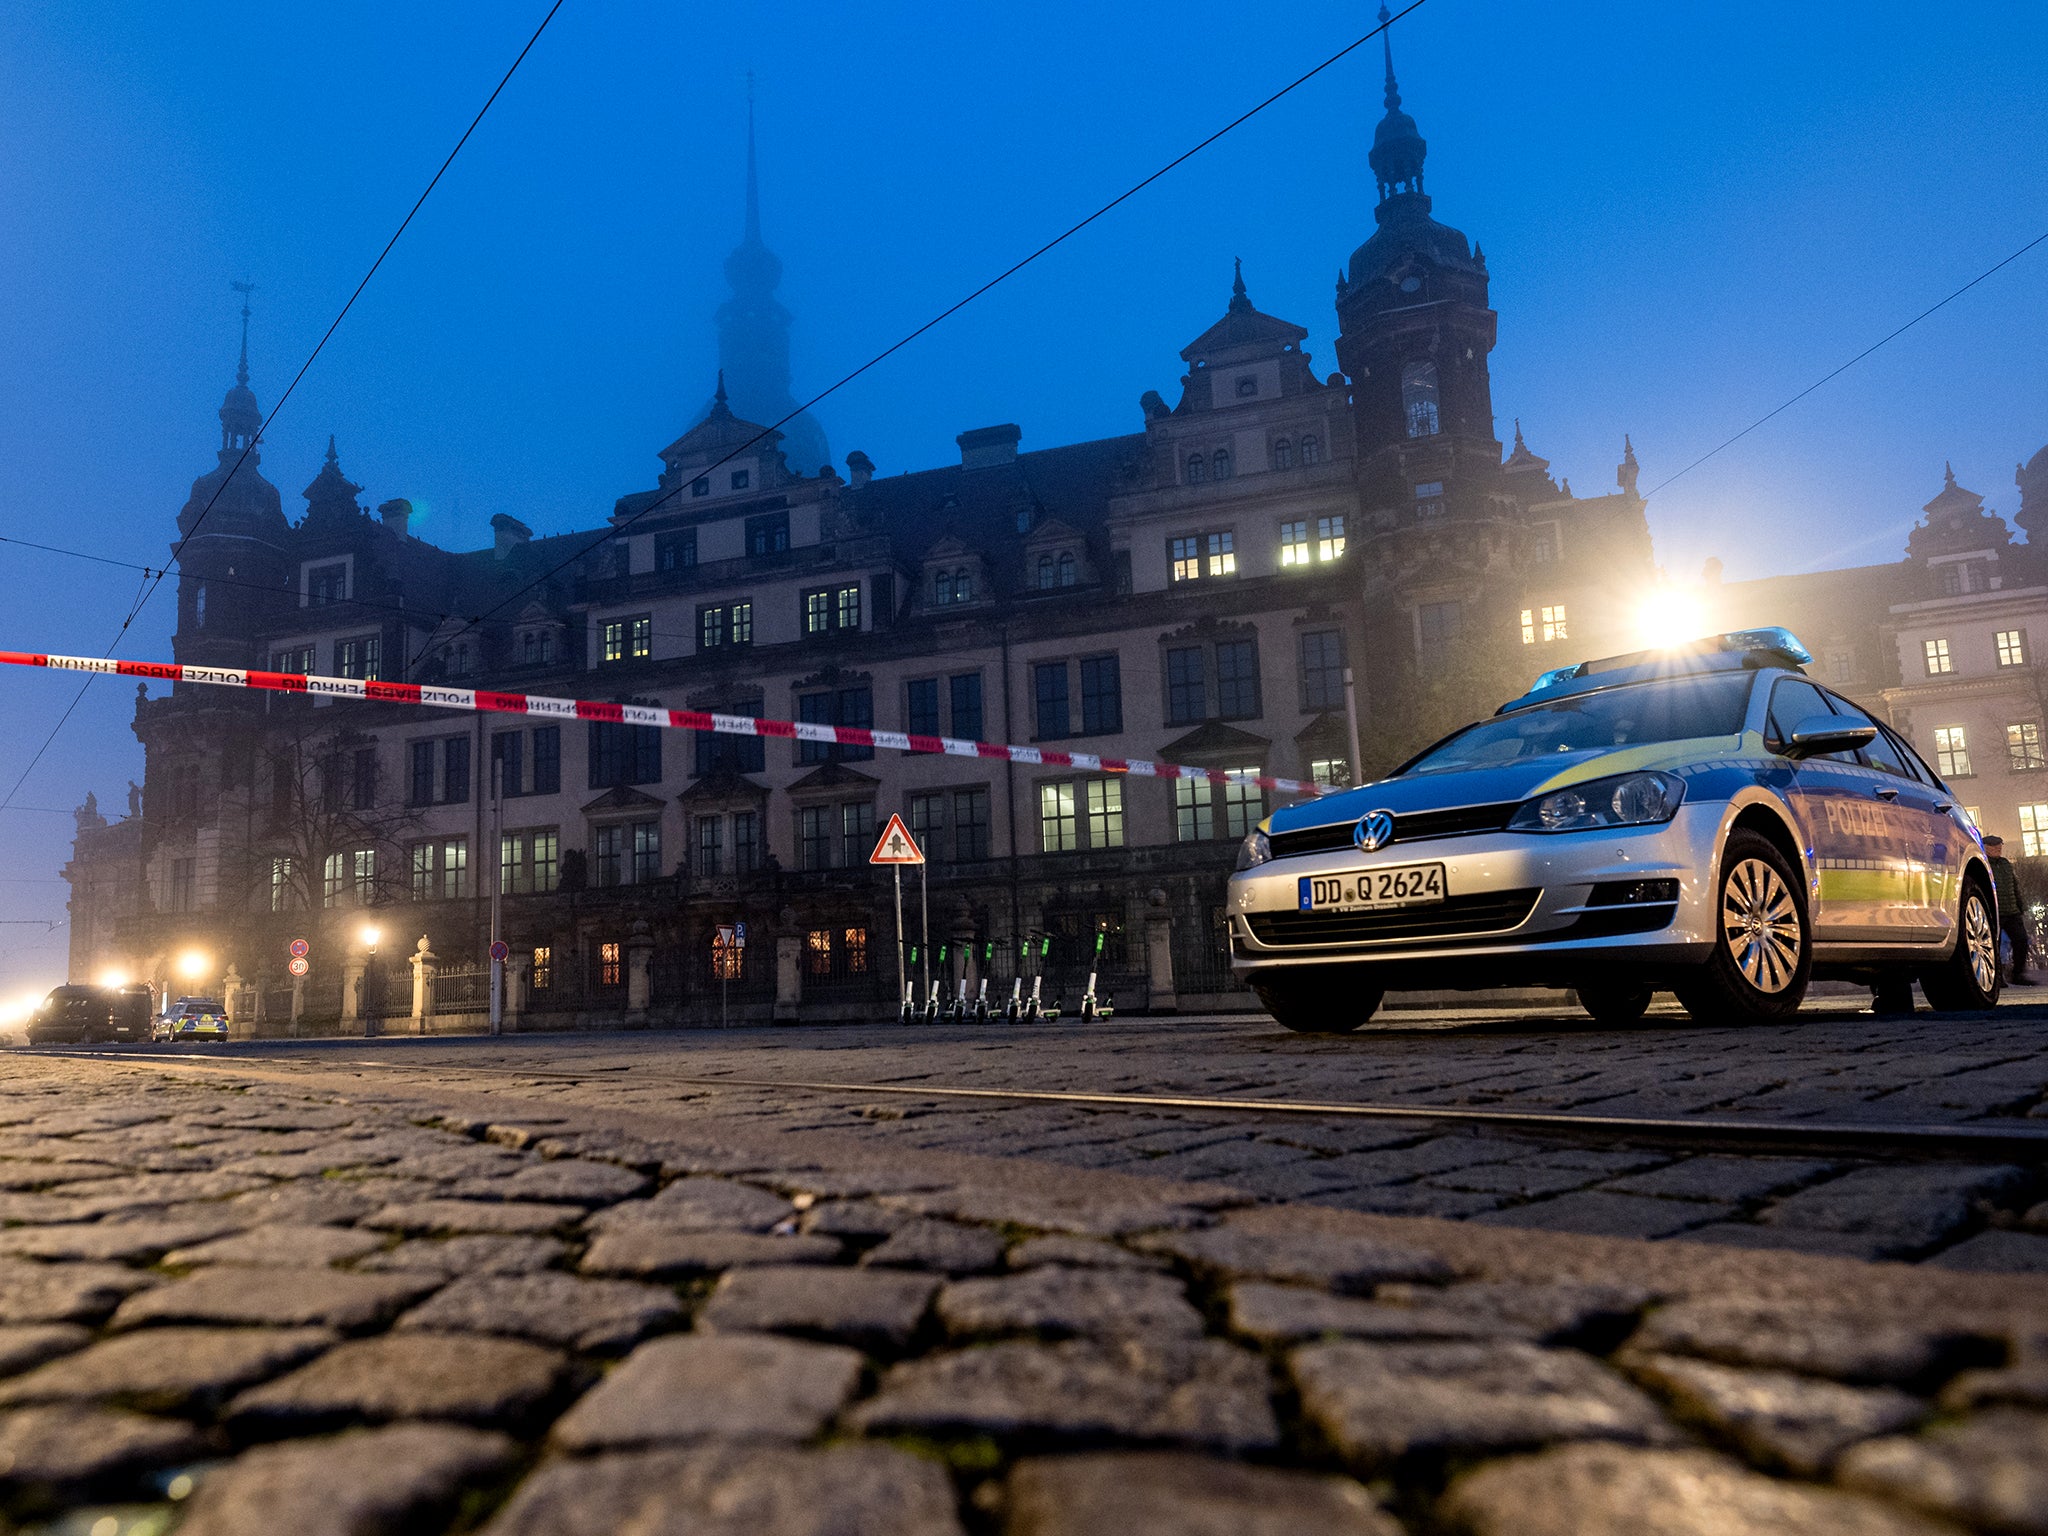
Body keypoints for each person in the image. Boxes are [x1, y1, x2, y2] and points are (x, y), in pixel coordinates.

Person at [1983, 834, 2035, 985]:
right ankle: (1997, 977)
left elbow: (2014, 884)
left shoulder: (2005, 863)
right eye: (1994, 846)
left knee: (2021, 941)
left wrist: (2020, 906)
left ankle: (2018, 974)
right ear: (1985, 847)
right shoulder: (1983, 863)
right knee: (1994, 946)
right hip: (1995, 912)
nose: (1998, 848)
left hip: (2012, 911)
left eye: (1999, 846)